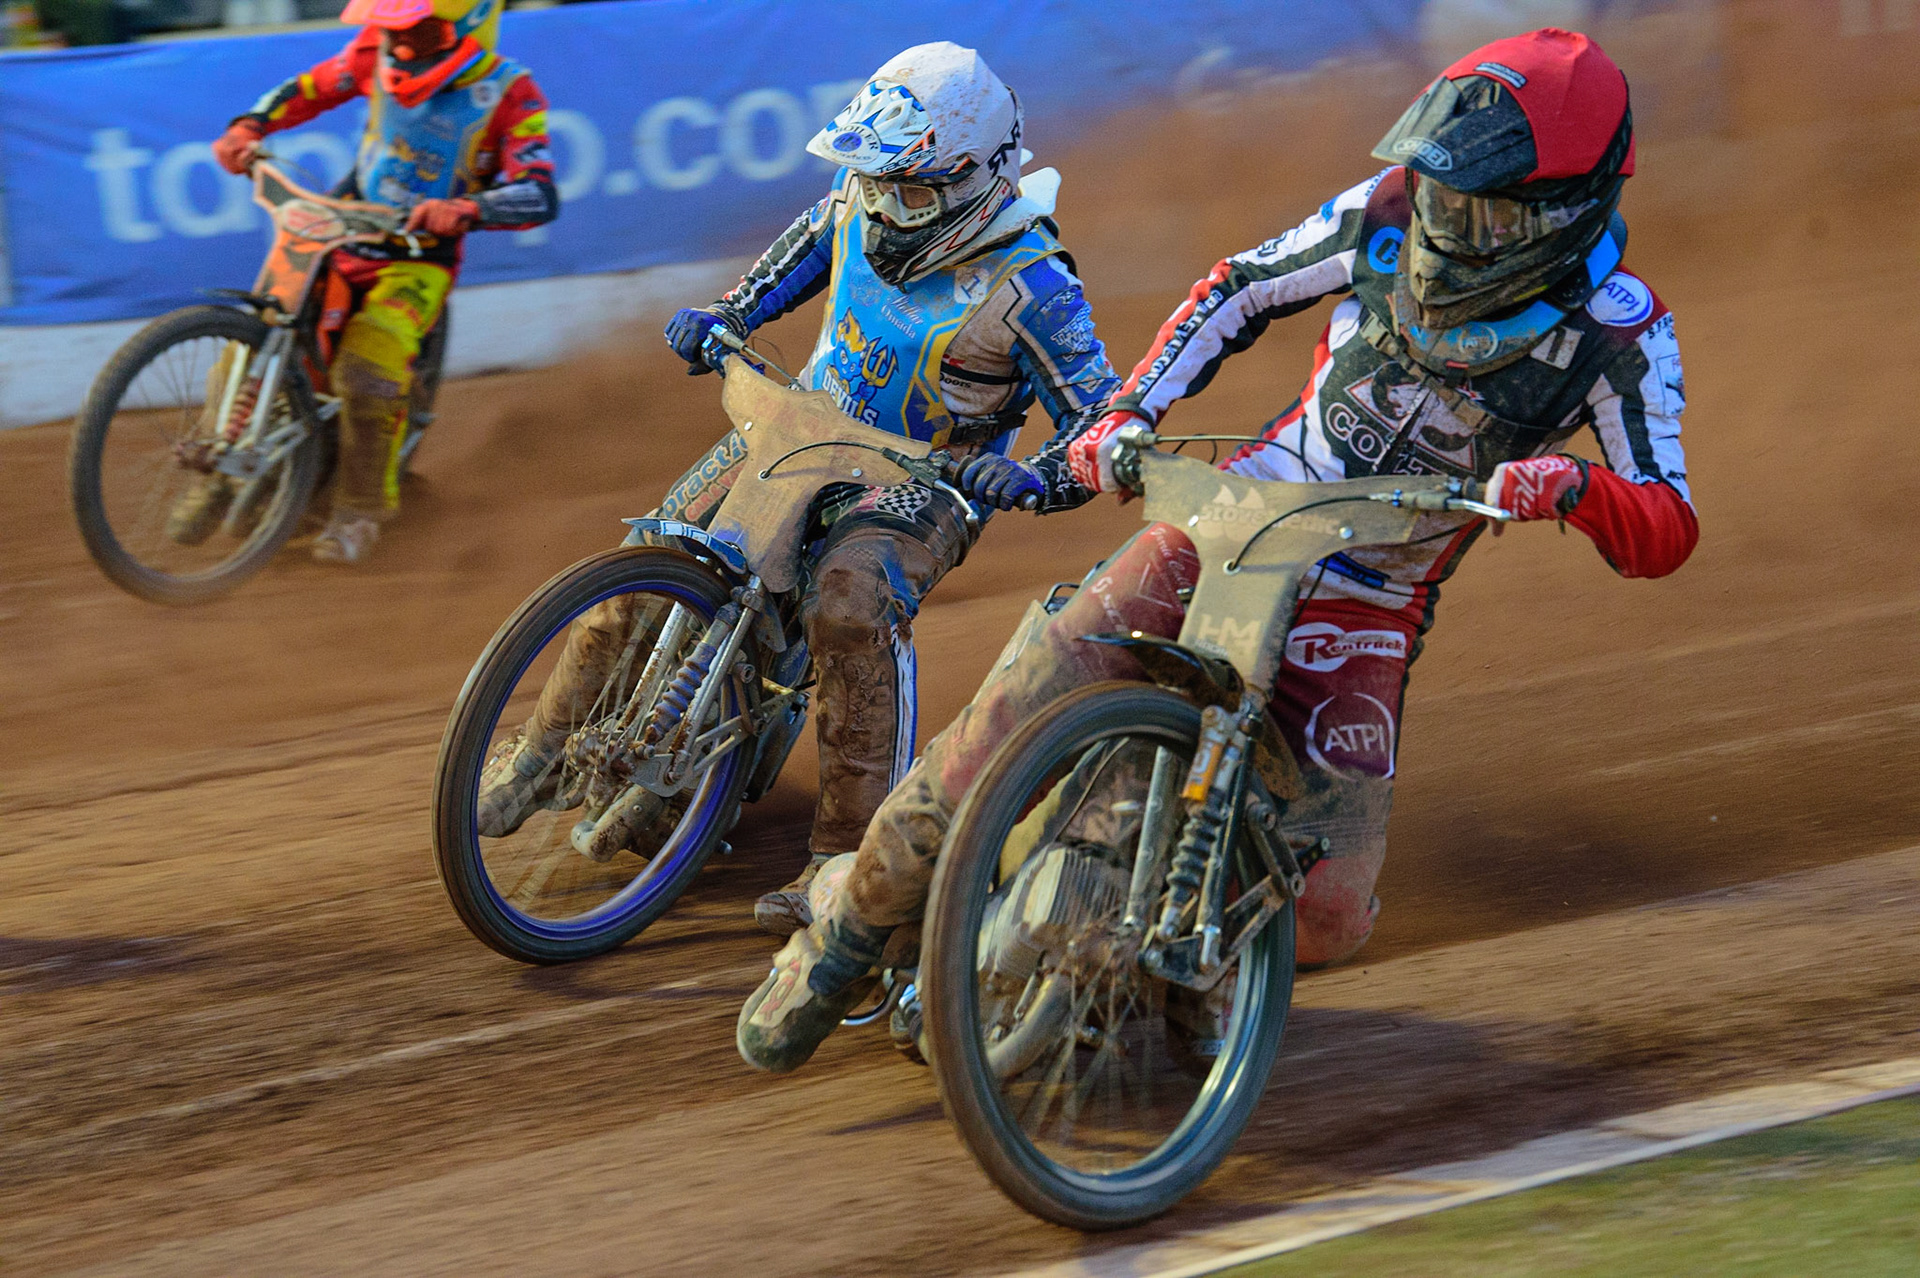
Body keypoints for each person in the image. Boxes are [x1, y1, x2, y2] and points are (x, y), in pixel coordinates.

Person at [737, 28, 1699, 1073]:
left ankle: (1151, 975)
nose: (1444, 220)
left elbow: (1668, 522)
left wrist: (1578, 489)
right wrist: (1125, 414)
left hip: (1370, 597)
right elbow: (1239, 286)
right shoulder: (1381, 214)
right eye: (1439, 188)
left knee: (1330, 915)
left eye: (1482, 208)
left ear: (1563, 215)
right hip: (1237, 515)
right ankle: (838, 939)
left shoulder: (1623, 334)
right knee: (1007, 716)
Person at [474, 43, 1119, 934]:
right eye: (878, 183)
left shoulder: (1035, 284)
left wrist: (1033, 475)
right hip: (802, 425)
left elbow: (1102, 424)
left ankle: (846, 862)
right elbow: (798, 256)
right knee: (652, 555)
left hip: (920, 479)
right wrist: (728, 314)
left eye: (914, 191)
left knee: (851, 604)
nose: (888, 208)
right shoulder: (860, 200)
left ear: (978, 175)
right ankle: (541, 752)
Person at [172, 0, 557, 565]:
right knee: (246, 347)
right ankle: (213, 475)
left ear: (466, 27)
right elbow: (310, 87)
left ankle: (359, 512)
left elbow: (539, 191)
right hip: (338, 229)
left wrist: (468, 207)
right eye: (392, 32)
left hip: (417, 259)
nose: (400, 48)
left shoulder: (510, 91)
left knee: (367, 367)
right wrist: (249, 126)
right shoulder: (371, 52)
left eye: (418, 34)